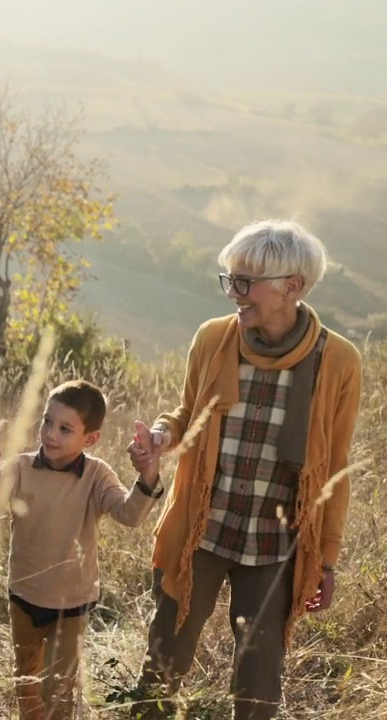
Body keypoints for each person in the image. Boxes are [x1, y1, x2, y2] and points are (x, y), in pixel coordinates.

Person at [126, 220, 363, 719]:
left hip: (277, 543)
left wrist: (327, 560)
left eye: (245, 282)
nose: (233, 292)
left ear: (291, 288)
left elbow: (335, 466)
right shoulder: (214, 338)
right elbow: (187, 414)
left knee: (258, 683)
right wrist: (163, 438)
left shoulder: (339, 360)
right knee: (164, 661)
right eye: (229, 279)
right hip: (202, 531)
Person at [0, 380, 164, 719]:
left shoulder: (96, 475)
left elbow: (129, 515)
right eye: (47, 422)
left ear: (91, 438)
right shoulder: (20, 469)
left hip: (72, 604)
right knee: (26, 679)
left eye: (65, 429)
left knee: (58, 688)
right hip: (24, 596)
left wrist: (148, 475)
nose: (51, 434)